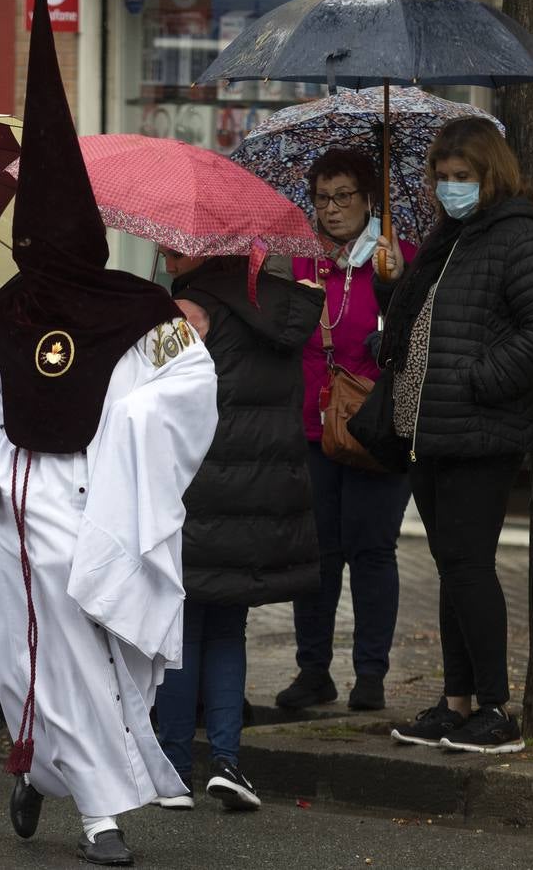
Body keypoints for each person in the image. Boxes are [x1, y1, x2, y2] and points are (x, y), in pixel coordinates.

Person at [0, 0, 216, 864]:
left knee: (106, 649)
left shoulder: (139, 308)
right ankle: (96, 806)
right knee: (44, 653)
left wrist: (123, 444)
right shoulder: (5, 312)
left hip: (108, 495)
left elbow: (189, 385)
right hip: (23, 503)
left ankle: (41, 769)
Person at [375, 118, 533, 754]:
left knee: (468, 568)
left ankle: (496, 710)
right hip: (428, 430)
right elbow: (428, 320)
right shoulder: (448, 238)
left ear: (492, 176)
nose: (450, 187)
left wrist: (479, 379)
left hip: (478, 430)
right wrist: (390, 287)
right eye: (442, 177)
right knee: (452, 568)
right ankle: (455, 703)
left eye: (463, 177)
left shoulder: (515, 236)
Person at [153, 251, 323, 812]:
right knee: (228, 629)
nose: (163, 251)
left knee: (182, 631)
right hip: (261, 495)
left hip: (196, 487)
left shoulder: (186, 313)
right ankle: (228, 762)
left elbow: (152, 396)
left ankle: (175, 769)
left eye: (175, 246)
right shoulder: (280, 306)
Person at [279, 148, 416, 712]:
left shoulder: (396, 257)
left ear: (369, 201)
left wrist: (393, 293)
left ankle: (371, 673)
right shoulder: (302, 261)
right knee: (317, 555)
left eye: (344, 197)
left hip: (377, 430)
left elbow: (416, 336)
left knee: (372, 550)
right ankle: (314, 671)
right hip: (312, 428)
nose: (331, 210)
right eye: (322, 198)